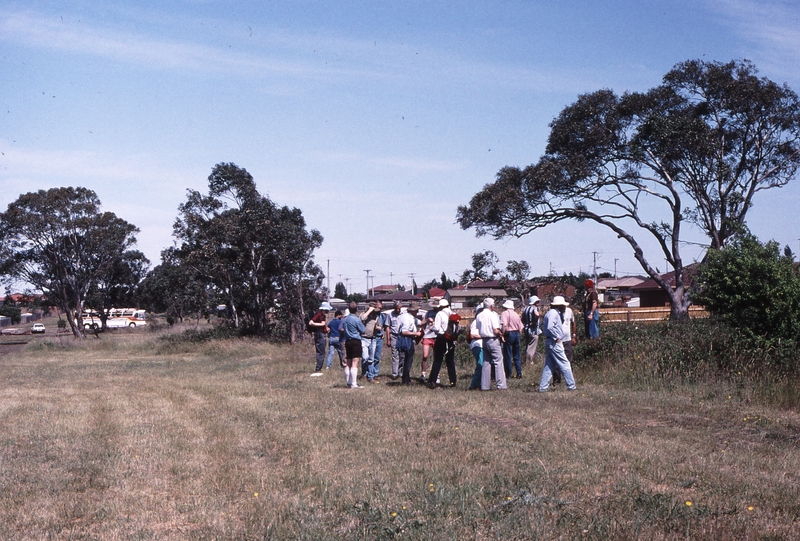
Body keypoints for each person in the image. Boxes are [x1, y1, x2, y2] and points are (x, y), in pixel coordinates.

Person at [537, 296, 577, 392]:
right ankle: (571, 386)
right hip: (554, 342)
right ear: (559, 305)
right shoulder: (554, 314)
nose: (565, 307)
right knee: (565, 363)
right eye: (563, 305)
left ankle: (543, 387)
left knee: (549, 365)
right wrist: (557, 337)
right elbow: (550, 327)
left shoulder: (552, 313)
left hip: (551, 341)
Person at [476, 298, 507, 391]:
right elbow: (495, 330)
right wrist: (501, 334)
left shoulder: (479, 315)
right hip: (492, 339)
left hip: (484, 340)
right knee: (498, 361)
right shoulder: (492, 315)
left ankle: (485, 386)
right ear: (491, 306)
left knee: (486, 362)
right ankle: (501, 385)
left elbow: (478, 328)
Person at [428, 299, 456, 388]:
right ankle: (453, 381)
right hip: (451, 338)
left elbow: (437, 327)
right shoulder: (453, 314)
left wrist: (431, 327)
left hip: (441, 337)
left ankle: (432, 381)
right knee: (450, 360)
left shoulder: (440, 314)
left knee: (438, 360)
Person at [341, 301, 367, 388]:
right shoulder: (356, 319)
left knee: (348, 362)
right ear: (356, 309)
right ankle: (354, 383)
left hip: (347, 341)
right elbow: (363, 330)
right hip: (356, 341)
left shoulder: (345, 319)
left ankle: (348, 382)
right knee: (355, 362)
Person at [397, 303, 423, 384]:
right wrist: (416, 334)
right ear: (412, 310)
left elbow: (420, 323)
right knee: (408, 360)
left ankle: (406, 378)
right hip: (406, 339)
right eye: (416, 310)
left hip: (407, 339)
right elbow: (404, 332)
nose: (417, 311)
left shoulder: (410, 317)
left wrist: (428, 320)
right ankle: (405, 379)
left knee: (407, 360)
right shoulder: (407, 318)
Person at [500, 299, 524, 379]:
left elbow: (504, 325)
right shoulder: (516, 314)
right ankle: (519, 373)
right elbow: (521, 328)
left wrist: (502, 334)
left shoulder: (504, 313)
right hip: (517, 333)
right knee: (517, 355)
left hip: (509, 334)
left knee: (508, 355)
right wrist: (518, 336)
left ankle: (508, 374)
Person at [359, 301, 382, 382]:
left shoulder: (376, 316)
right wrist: (369, 310)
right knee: (365, 357)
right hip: (364, 338)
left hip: (373, 339)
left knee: (371, 359)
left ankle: (370, 376)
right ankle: (364, 373)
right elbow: (362, 319)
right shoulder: (363, 314)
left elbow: (380, 326)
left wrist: (378, 327)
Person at [308, 301, 332, 372]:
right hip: (319, 334)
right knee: (320, 352)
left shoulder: (322, 316)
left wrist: (325, 328)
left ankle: (319, 367)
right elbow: (311, 322)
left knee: (322, 351)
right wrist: (321, 325)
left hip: (322, 333)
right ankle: (318, 368)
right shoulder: (319, 314)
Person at [384, 301, 403, 379]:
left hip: (402, 336)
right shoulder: (390, 315)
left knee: (402, 354)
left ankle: (401, 372)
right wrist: (388, 339)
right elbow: (387, 327)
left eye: (399, 309)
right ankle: (394, 373)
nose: (398, 310)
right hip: (394, 336)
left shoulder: (403, 315)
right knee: (395, 354)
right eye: (396, 309)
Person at [419, 302, 437, 382]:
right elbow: (421, 323)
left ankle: (436, 374)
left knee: (436, 356)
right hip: (427, 336)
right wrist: (427, 320)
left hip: (436, 336)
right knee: (425, 356)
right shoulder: (428, 313)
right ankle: (423, 373)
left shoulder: (440, 314)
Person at [522, 296, 542, 365]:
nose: (538, 303)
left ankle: (525, 360)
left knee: (528, 345)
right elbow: (537, 315)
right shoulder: (534, 308)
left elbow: (522, 319)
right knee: (531, 347)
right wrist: (534, 322)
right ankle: (529, 361)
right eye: (537, 302)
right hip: (533, 330)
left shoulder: (525, 309)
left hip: (526, 329)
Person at [468, 306, 484, 390]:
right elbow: (472, 335)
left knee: (483, 365)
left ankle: (480, 383)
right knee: (480, 364)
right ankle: (474, 384)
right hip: (477, 345)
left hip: (482, 345)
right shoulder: (475, 322)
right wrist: (484, 336)